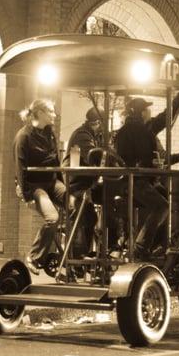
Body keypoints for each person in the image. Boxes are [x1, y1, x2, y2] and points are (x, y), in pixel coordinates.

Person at [114, 92, 179, 259]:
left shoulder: (122, 132)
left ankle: (153, 245)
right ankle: (141, 248)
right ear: (142, 113)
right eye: (147, 110)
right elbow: (165, 117)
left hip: (127, 182)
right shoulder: (145, 129)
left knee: (162, 196)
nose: (149, 112)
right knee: (162, 206)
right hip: (138, 181)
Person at [13, 99, 66, 275]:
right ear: (40, 113)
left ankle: (74, 255)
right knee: (52, 218)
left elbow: (56, 160)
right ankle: (34, 257)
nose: (54, 115)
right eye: (51, 111)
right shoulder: (24, 136)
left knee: (80, 205)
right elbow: (20, 167)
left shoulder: (50, 133)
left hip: (52, 182)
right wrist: (27, 196)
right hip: (34, 185)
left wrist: (63, 185)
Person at [61, 107, 105, 258]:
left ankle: (90, 252)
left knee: (92, 214)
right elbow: (93, 155)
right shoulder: (82, 135)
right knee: (83, 215)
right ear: (97, 122)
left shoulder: (90, 135)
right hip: (76, 183)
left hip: (84, 182)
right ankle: (77, 257)